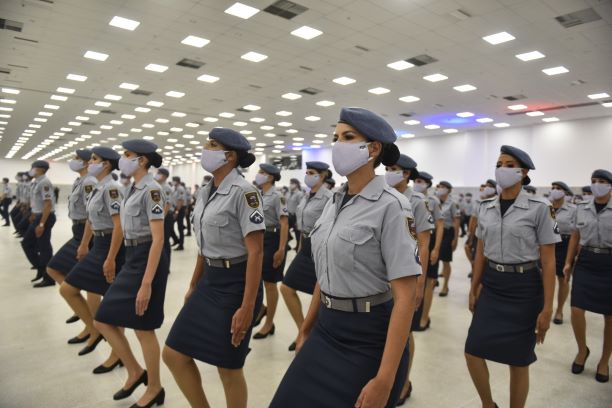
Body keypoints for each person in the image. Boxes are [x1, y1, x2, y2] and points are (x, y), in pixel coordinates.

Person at [270, 107, 421, 407]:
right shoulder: (333, 202)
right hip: (326, 329)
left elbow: (405, 298)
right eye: (336, 137)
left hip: (368, 338)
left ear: (373, 149)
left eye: (348, 137)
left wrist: (386, 379)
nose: (338, 144)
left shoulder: (393, 206)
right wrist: (305, 329)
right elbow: (323, 275)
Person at [163, 128, 264, 408]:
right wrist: (194, 284)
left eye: (212, 145)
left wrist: (247, 307)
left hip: (236, 284)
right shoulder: (207, 190)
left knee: (228, 366)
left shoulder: (245, 193)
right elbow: (203, 245)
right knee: (173, 354)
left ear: (229, 156)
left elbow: (256, 253)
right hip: (209, 280)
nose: (205, 149)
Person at [465, 145, 559, 408]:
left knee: (518, 360)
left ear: (523, 172)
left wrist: (547, 308)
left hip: (525, 289)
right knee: (472, 350)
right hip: (493, 286)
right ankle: (488, 404)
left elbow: (549, 261)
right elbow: (480, 251)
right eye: (499, 164)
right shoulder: (485, 206)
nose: (501, 170)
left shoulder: (542, 208)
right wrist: (474, 288)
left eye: (508, 165)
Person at [93, 139, 169, 408]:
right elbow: (123, 228)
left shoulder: (153, 190)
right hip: (132, 256)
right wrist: (112, 257)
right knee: (103, 319)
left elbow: (158, 240)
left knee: (143, 327)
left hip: (149, 257)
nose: (122, 159)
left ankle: (155, 387)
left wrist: (147, 283)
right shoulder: (132, 188)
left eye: (127, 155)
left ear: (142, 160)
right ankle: (136, 371)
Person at [60, 147, 125, 371]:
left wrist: (111, 257)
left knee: (112, 304)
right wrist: (84, 244)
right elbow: (90, 218)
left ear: (106, 164)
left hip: (109, 245)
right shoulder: (97, 187)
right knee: (69, 288)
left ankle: (117, 354)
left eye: (94, 159)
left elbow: (119, 226)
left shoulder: (112, 189)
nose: (89, 163)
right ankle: (94, 329)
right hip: (97, 243)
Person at [384, 154, 433, 404]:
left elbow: (423, 244)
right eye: (387, 168)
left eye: (393, 169)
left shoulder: (418, 202)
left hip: (406, 273)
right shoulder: (382, 195)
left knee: (404, 331)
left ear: (406, 174)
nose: (388, 172)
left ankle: (404, 382)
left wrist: (420, 282)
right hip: (383, 272)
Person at [564, 169, 612, 383]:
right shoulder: (580, 208)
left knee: (610, 317)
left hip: (609, 264)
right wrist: (568, 261)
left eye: (601, 181)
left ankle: (604, 360)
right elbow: (574, 235)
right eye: (593, 181)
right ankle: (582, 350)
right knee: (575, 310)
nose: (596, 185)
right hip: (585, 261)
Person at [280, 161, 333, 351]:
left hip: (321, 248)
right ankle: (304, 330)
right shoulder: (305, 196)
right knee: (286, 288)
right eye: (307, 172)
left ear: (322, 176)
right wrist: (300, 247)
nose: (307, 175)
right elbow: (302, 226)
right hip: (305, 247)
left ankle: (312, 335)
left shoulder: (329, 197)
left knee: (318, 297)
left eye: (311, 173)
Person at [252, 163, 289, 339]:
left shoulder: (277, 196)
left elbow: (284, 223)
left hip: (273, 240)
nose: (258, 175)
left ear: (270, 177)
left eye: (262, 173)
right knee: (255, 278)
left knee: (269, 283)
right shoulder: (258, 194)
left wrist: (281, 249)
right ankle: (262, 309)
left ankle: (268, 323)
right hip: (259, 239)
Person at [412, 171, 443, 331]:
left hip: (427, 244)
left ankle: (424, 317)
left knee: (429, 282)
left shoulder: (432, 201)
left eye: (420, 181)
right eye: (415, 180)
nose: (417, 183)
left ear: (427, 184)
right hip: (412, 245)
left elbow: (439, 224)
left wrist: (436, 248)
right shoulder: (406, 197)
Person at [22, 160, 57, 287]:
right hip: (38, 216)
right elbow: (37, 202)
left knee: (44, 247)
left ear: (41, 169)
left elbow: (48, 204)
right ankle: (41, 269)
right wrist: (33, 214)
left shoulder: (44, 183)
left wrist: (41, 224)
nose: (31, 170)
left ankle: (49, 278)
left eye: (34, 167)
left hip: (45, 218)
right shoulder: (36, 182)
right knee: (29, 243)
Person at [547, 181, 577, 325]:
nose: (554, 190)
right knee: (543, 276)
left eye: (558, 188)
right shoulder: (545, 207)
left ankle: (559, 310)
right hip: (547, 243)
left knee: (562, 278)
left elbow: (576, 232)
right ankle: (544, 307)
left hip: (565, 244)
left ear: (565, 192)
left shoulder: (573, 209)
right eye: (553, 188)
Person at [465, 180, 498, 279]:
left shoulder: (498, 202)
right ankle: (474, 268)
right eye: (485, 186)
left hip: (492, 238)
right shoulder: (479, 202)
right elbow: (473, 220)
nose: (485, 189)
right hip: (479, 236)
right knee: (476, 257)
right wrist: (470, 235)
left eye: (489, 186)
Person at [434, 181, 461, 297]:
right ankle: (433, 279)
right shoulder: (433, 201)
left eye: (443, 187)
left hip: (447, 232)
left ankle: (445, 286)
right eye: (439, 186)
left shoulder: (453, 203)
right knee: (433, 258)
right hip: (435, 232)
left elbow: (456, 221)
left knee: (445, 260)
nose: (440, 188)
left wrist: (455, 239)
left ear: (449, 190)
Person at [154, 168, 174, 262]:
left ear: (164, 176)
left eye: (159, 173)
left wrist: (162, 218)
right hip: (159, 216)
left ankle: (166, 265)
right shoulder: (156, 186)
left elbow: (168, 204)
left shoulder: (166, 188)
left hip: (166, 216)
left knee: (165, 241)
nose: (156, 175)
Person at [287, 178, 304, 250]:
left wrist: (298, 220)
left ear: (296, 184)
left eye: (292, 183)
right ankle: (289, 239)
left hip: (295, 216)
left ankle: (298, 247)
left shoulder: (299, 194)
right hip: (289, 215)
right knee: (283, 229)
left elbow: (301, 207)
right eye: (290, 183)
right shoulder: (290, 194)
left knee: (297, 233)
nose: (290, 185)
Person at [170, 176, 187, 251]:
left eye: (174, 180)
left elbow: (181, 200)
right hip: (175, 209)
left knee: (180, 227)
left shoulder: (180, 188)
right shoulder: (175, 189)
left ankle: (181, 245)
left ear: (177, 181)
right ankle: (176, 240)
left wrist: (176, 212)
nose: (173, 182)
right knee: (170, 226)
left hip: (179, 209)